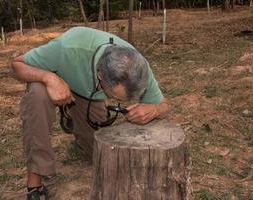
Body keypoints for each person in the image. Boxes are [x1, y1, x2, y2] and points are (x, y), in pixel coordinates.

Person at [11, 27, 169, 200]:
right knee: (37, 96)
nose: (120, 102)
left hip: (88, 95)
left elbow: (164, 105)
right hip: (57, 81)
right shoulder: (67, 48)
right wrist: (49, 78)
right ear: (100, 75)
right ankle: (35, 180)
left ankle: (70, 113)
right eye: (115, 97)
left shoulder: (138, 68)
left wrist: (154, 110)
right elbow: (17, 65)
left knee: (96, 152)